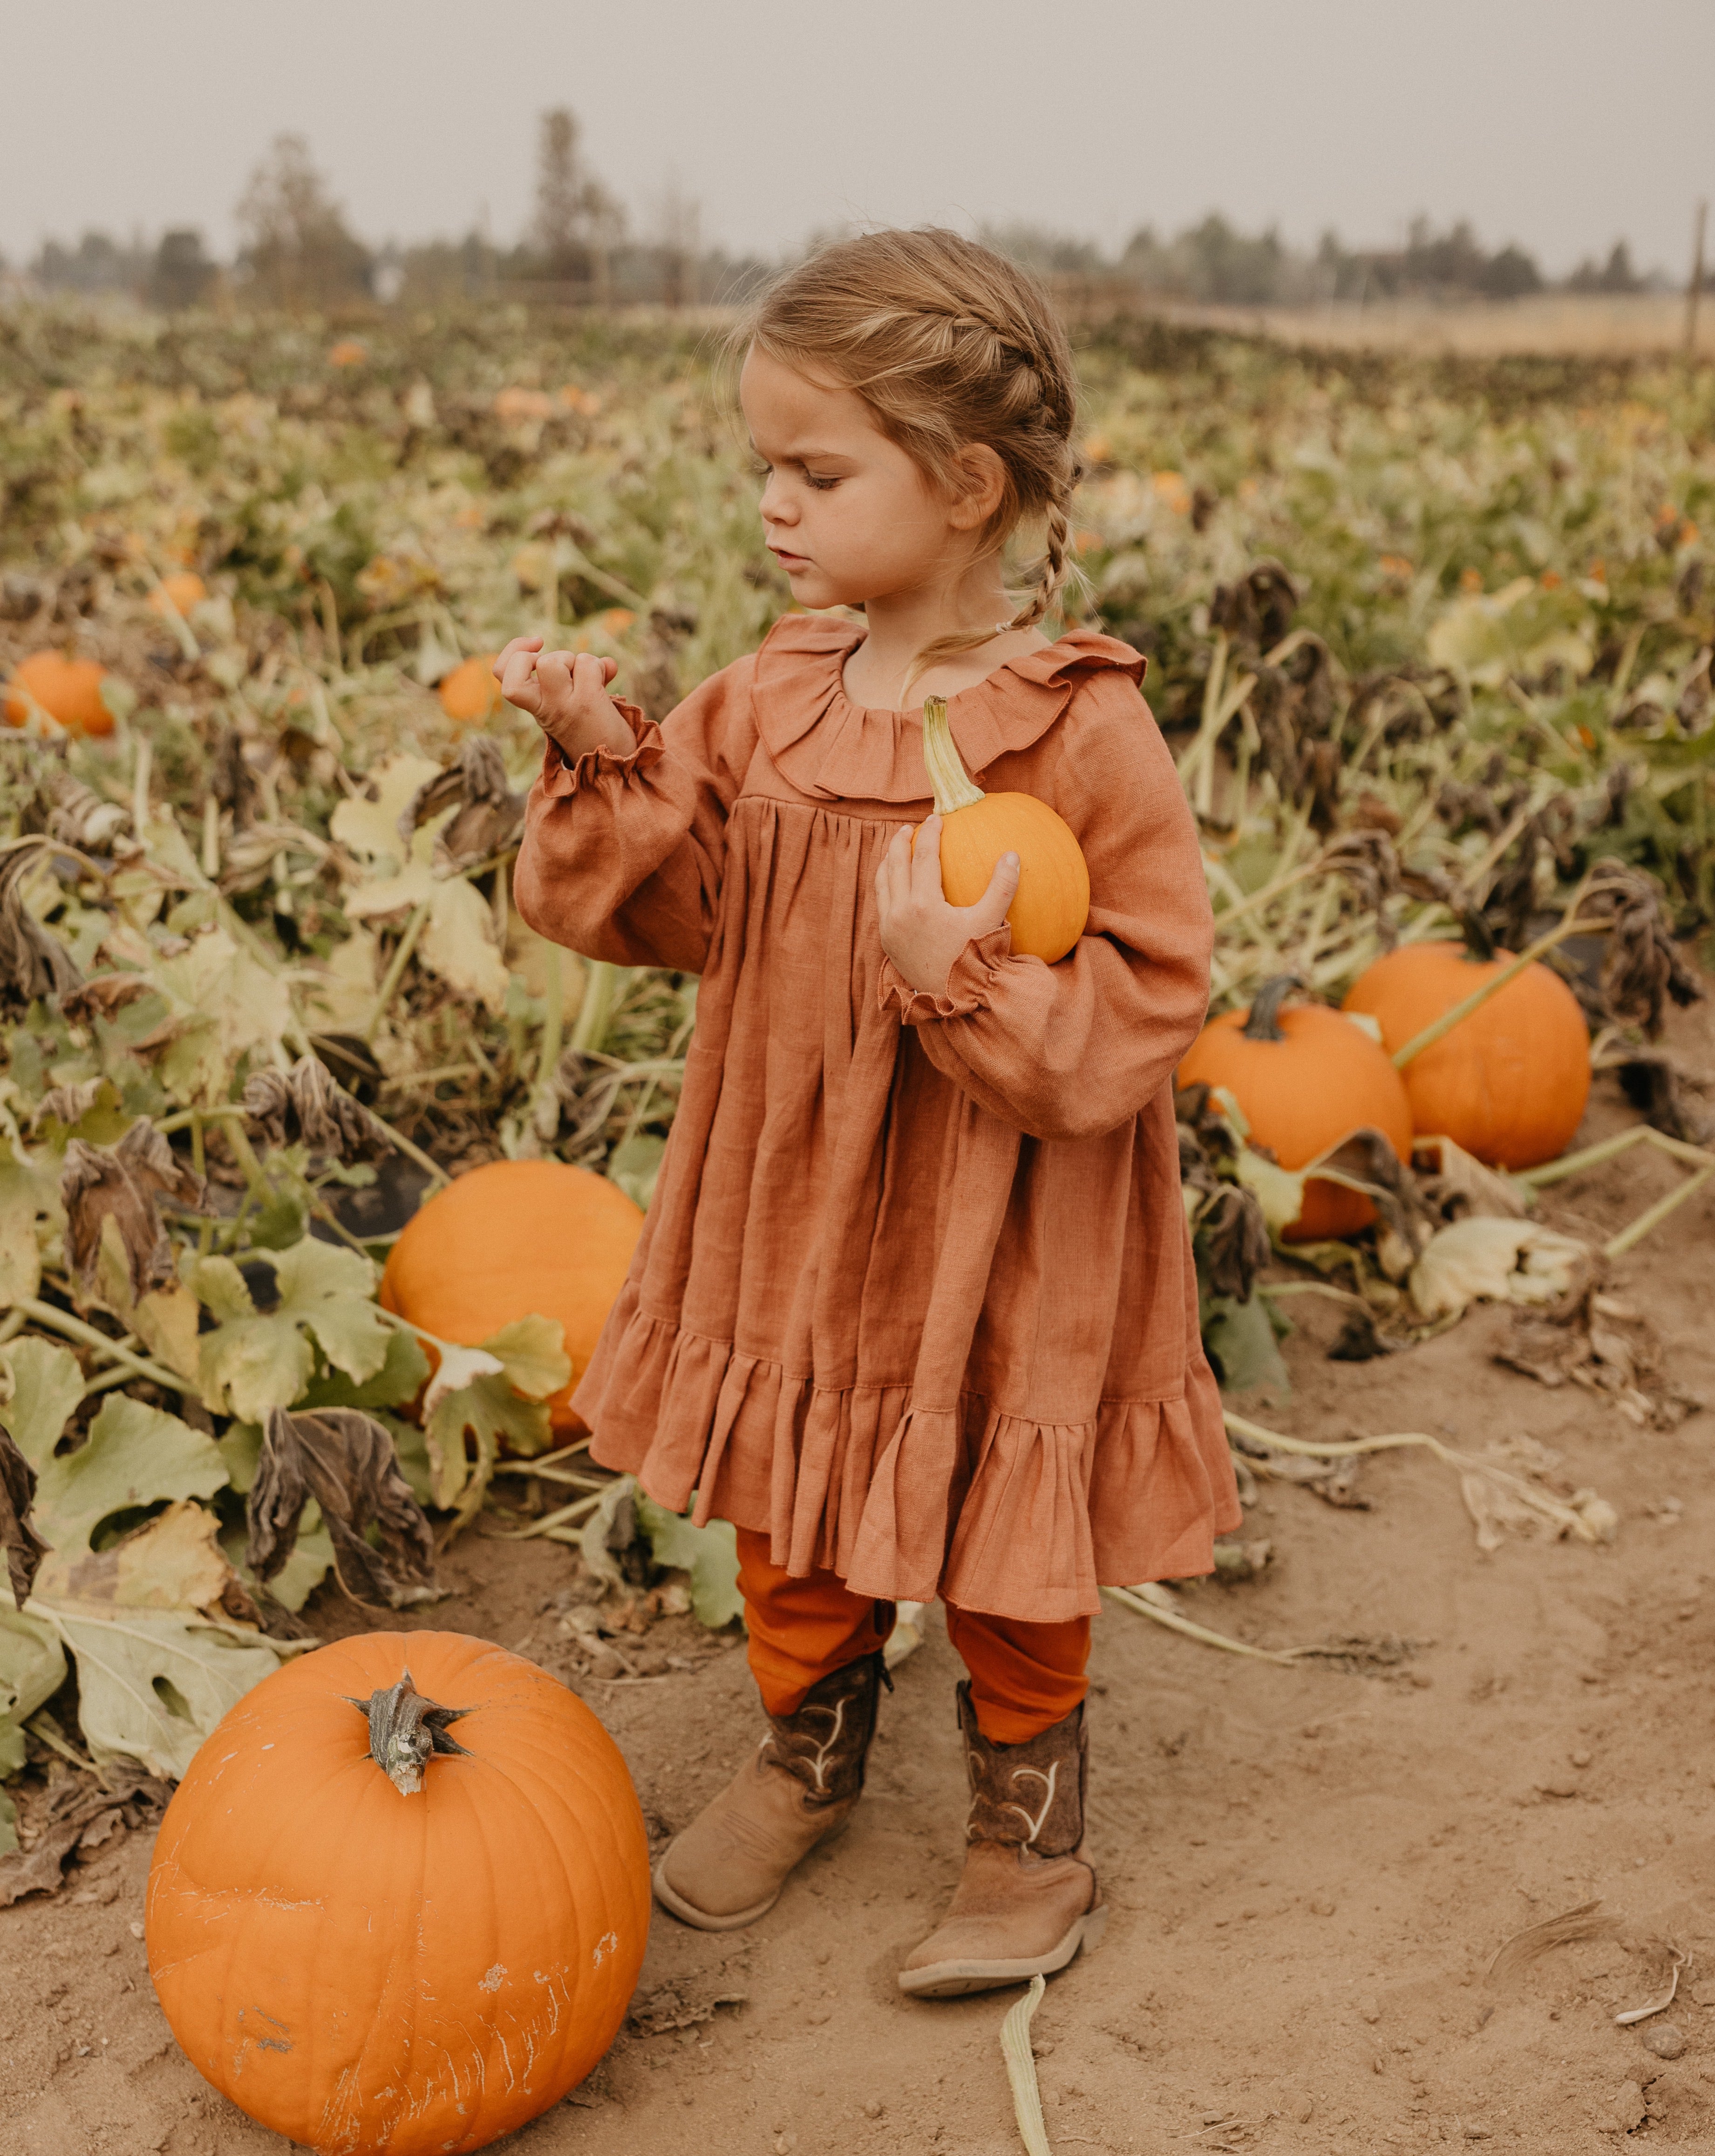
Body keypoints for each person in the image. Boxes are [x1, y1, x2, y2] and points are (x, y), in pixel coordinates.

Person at [505, 227, 1238, 1999]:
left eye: (818, 470)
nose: (775, 502)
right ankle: (806, 1741)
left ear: (969, 484)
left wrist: (967, 975)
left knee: (1002, 1483)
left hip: (1007, 1205)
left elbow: (1151, 1001)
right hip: (801, 1182)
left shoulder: (1081, 733)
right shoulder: (763, 701)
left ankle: (1023, 1819)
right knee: (789, 1477)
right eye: (766, 464)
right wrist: (611, 765)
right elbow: (673, 923)